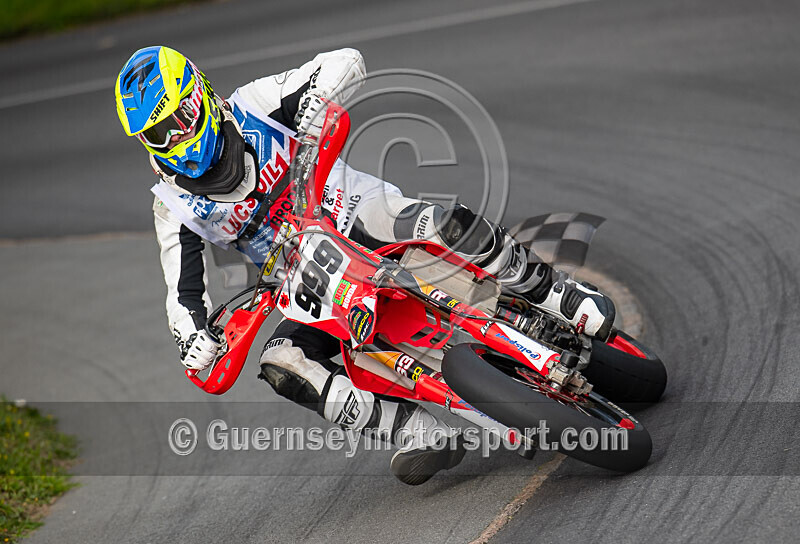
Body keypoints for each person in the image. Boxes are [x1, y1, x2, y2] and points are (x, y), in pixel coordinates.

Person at [115, 46, 615, 485]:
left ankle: (561, 295)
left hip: (358, 213)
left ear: (200, 94)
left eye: (180, 118)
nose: (178, 138)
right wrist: (192, 340)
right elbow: (180, 294)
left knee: (444, 223)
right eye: (159, 134)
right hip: (305, 279)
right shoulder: (173, 207)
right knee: (281, 364)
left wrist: (316, 100)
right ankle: (419, 433)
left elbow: (345, 61)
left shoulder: (255, 104)